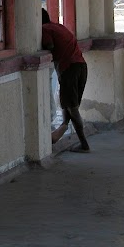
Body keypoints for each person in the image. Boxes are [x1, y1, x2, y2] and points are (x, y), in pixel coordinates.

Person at [41, 8, 90, 152]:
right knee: (68, 105)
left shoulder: (45, 29)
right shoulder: (58, 26)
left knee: (72, 108)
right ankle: (60, 132)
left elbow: (49, 45)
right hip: (81, 66)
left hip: (69, 69)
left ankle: (84, 144)